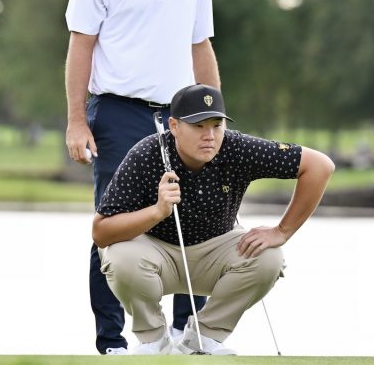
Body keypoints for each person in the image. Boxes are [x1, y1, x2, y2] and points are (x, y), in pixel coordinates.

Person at [65, 0, 219, 354]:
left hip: (182, 115)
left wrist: (214, 116)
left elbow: (201, 46)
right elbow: (81, 46)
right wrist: (75, 119)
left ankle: (183, 332)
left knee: (195, 217)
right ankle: (113, 341)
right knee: (114, 221)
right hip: (117, 112)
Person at [93, 83, 335, 355]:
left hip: (216, 252)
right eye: (198, 126)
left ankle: (202, 339)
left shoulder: (237, 147)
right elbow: (101, 232)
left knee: (270, 257)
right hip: (154, 254)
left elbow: (319, 166)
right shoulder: (146, 154)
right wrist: (157, 211)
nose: (209, 136)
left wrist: (282, 231)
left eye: (216, 125)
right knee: (119, 254)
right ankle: (154, 339)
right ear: (173, 126)